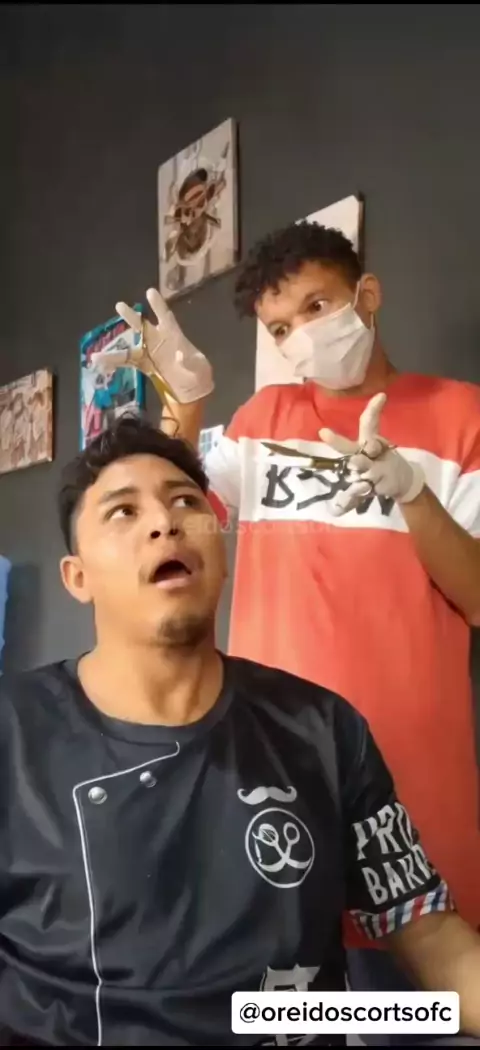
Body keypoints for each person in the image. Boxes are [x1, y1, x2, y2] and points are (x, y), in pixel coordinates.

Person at [0, 414, 479, 1049]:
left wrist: (398, 1020)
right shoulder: (15, 733)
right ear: (77, 577)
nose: (164, 522)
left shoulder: (324, 730)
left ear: (221, 550)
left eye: (185, 502)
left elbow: (432, 938)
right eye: (123, 512)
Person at [113, 223, 480, 1016]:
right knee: (275, 1015)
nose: (302, 336)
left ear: (366, 296)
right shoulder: (265, 417)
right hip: (269, 773)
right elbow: (182, 529)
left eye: (317, 307)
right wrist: (186, 407)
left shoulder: (462, 417)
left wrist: (414, 493)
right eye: (281, 328)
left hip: (411, 778)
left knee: (415, 1015)